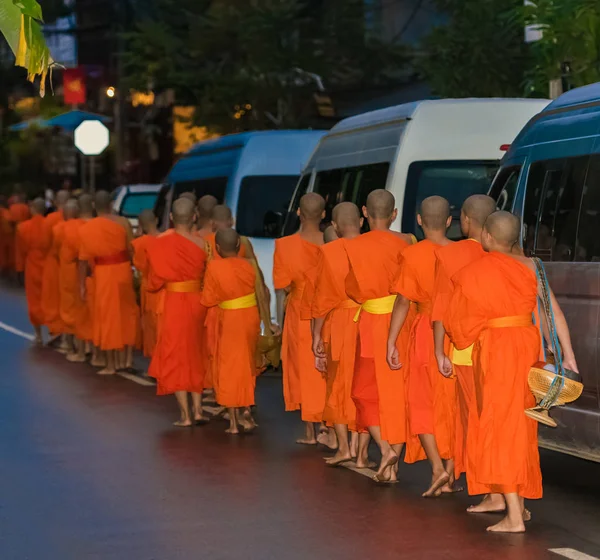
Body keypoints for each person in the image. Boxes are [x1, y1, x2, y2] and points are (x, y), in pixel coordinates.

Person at [445, 211, 577, 533]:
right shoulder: (533, 266)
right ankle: (509, 500)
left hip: (497, 352)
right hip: (527, 349)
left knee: (499, 427)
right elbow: (552, 314)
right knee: (519, 425)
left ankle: (515, 517)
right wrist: (569, 358)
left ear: (487, 238)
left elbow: (458, 325)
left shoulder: (475, 271)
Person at [344, 189, 415, 483]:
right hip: (404, 321)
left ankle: (386, 450)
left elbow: (353, 289)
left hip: (373, 322)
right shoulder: (409, 241)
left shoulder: (355, 246)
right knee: (397, 393)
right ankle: (392, 466)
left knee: (363, 392)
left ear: (364, 212)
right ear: (394, 214)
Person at [388, 196, 457, 497]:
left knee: (421, 401)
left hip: (426, 331)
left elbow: (403, 300)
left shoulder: (412, 254)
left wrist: (391, 340)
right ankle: (452, 471)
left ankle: (437, 469)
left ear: (418, 220)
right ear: (450, 221)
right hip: (457, 333)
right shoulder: (463, 253)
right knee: (454, 404)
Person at [431, 194, 496, 501]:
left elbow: (442, 308)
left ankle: (485, 488)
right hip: (503, 348)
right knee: (497, 417)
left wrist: (438, 351)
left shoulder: (451, 255)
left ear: (465, 220)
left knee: (472, 418)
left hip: (466, 349)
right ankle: (501, 490)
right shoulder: (510, 254)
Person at [312, 202, 373, 467]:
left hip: (339, 323)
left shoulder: (328, 252)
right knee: (366, 385)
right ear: (361, 221)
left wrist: (316, 336)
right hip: (370, 319)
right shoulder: (376, 247)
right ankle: (362, 453)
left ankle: (344, 448)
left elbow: (322, 301)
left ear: (334, 227)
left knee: (338, 385)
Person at [147, 197, 210, 427]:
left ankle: (185, 415)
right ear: (194, 216)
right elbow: (208, 276)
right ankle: (200, 409)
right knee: (196, 352)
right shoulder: (203, 244)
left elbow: (154, 280)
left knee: (175, 354)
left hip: (174, 302)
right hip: (197, 302)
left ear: (171, 217)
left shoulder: (159, 242)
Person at [274, 193, 326, 445]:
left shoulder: (284, 245)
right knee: (326, 365)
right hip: (328, 311)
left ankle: (310, 430)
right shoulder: (332, 243)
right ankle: (329, 423)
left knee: (304, 366)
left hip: (299, 311)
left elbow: (282, 285)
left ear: (298, 213)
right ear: (324, 215)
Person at [202, 228, 261, 434]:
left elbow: (208, 300)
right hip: (250, 316)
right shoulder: (250, 265)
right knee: (247, 363)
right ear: (239, 245)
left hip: (229, 319)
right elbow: (259, 292)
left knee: (229, 367)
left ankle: (234, 423)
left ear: (217, 247)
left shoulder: (214, 267)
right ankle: (247, 412)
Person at [78, 191, 139, 375]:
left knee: (108, 316)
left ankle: (111, 364)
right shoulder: (123, 223)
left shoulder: (88, 228)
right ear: (111, 204)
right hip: (123, 271)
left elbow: (83, 260)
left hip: (104, 274)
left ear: (95, 206)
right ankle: (125, 359)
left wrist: (81, 284)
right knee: (126, 313)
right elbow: (131, 250)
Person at [15, 198, 48, 344]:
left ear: (33, 208)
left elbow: (20, 251)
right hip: (49, 266)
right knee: (51, 298)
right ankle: (55, 331)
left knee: (34, 300)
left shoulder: (23, 227)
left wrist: (19, 270)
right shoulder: (51, 225)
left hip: (32, 266)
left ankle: (39, 334)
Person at [41, 190, 70, 345]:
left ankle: (55, 329)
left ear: (55, 202)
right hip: (69, 262)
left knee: (53, 296)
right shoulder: (74, 219)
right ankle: (67, 331)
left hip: (53, 261)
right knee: (67, 296)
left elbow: (44, 244)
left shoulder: (50, 219)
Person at [132, 209, 161, 359]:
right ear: (156, 220)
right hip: (165, 288)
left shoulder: (138, 243)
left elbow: (138, 266)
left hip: (147, 287)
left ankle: (155, 364)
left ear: (141, 225)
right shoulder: (166, 239)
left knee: (150, 326)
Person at [56, 199, 82, 352]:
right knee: (81, 305)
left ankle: (68, 342)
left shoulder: (59, 229)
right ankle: (82, 343)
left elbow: (55, 249)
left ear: (65, 214)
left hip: (66, 271)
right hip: (82, 271)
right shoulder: (84, 227)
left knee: (67, 306)